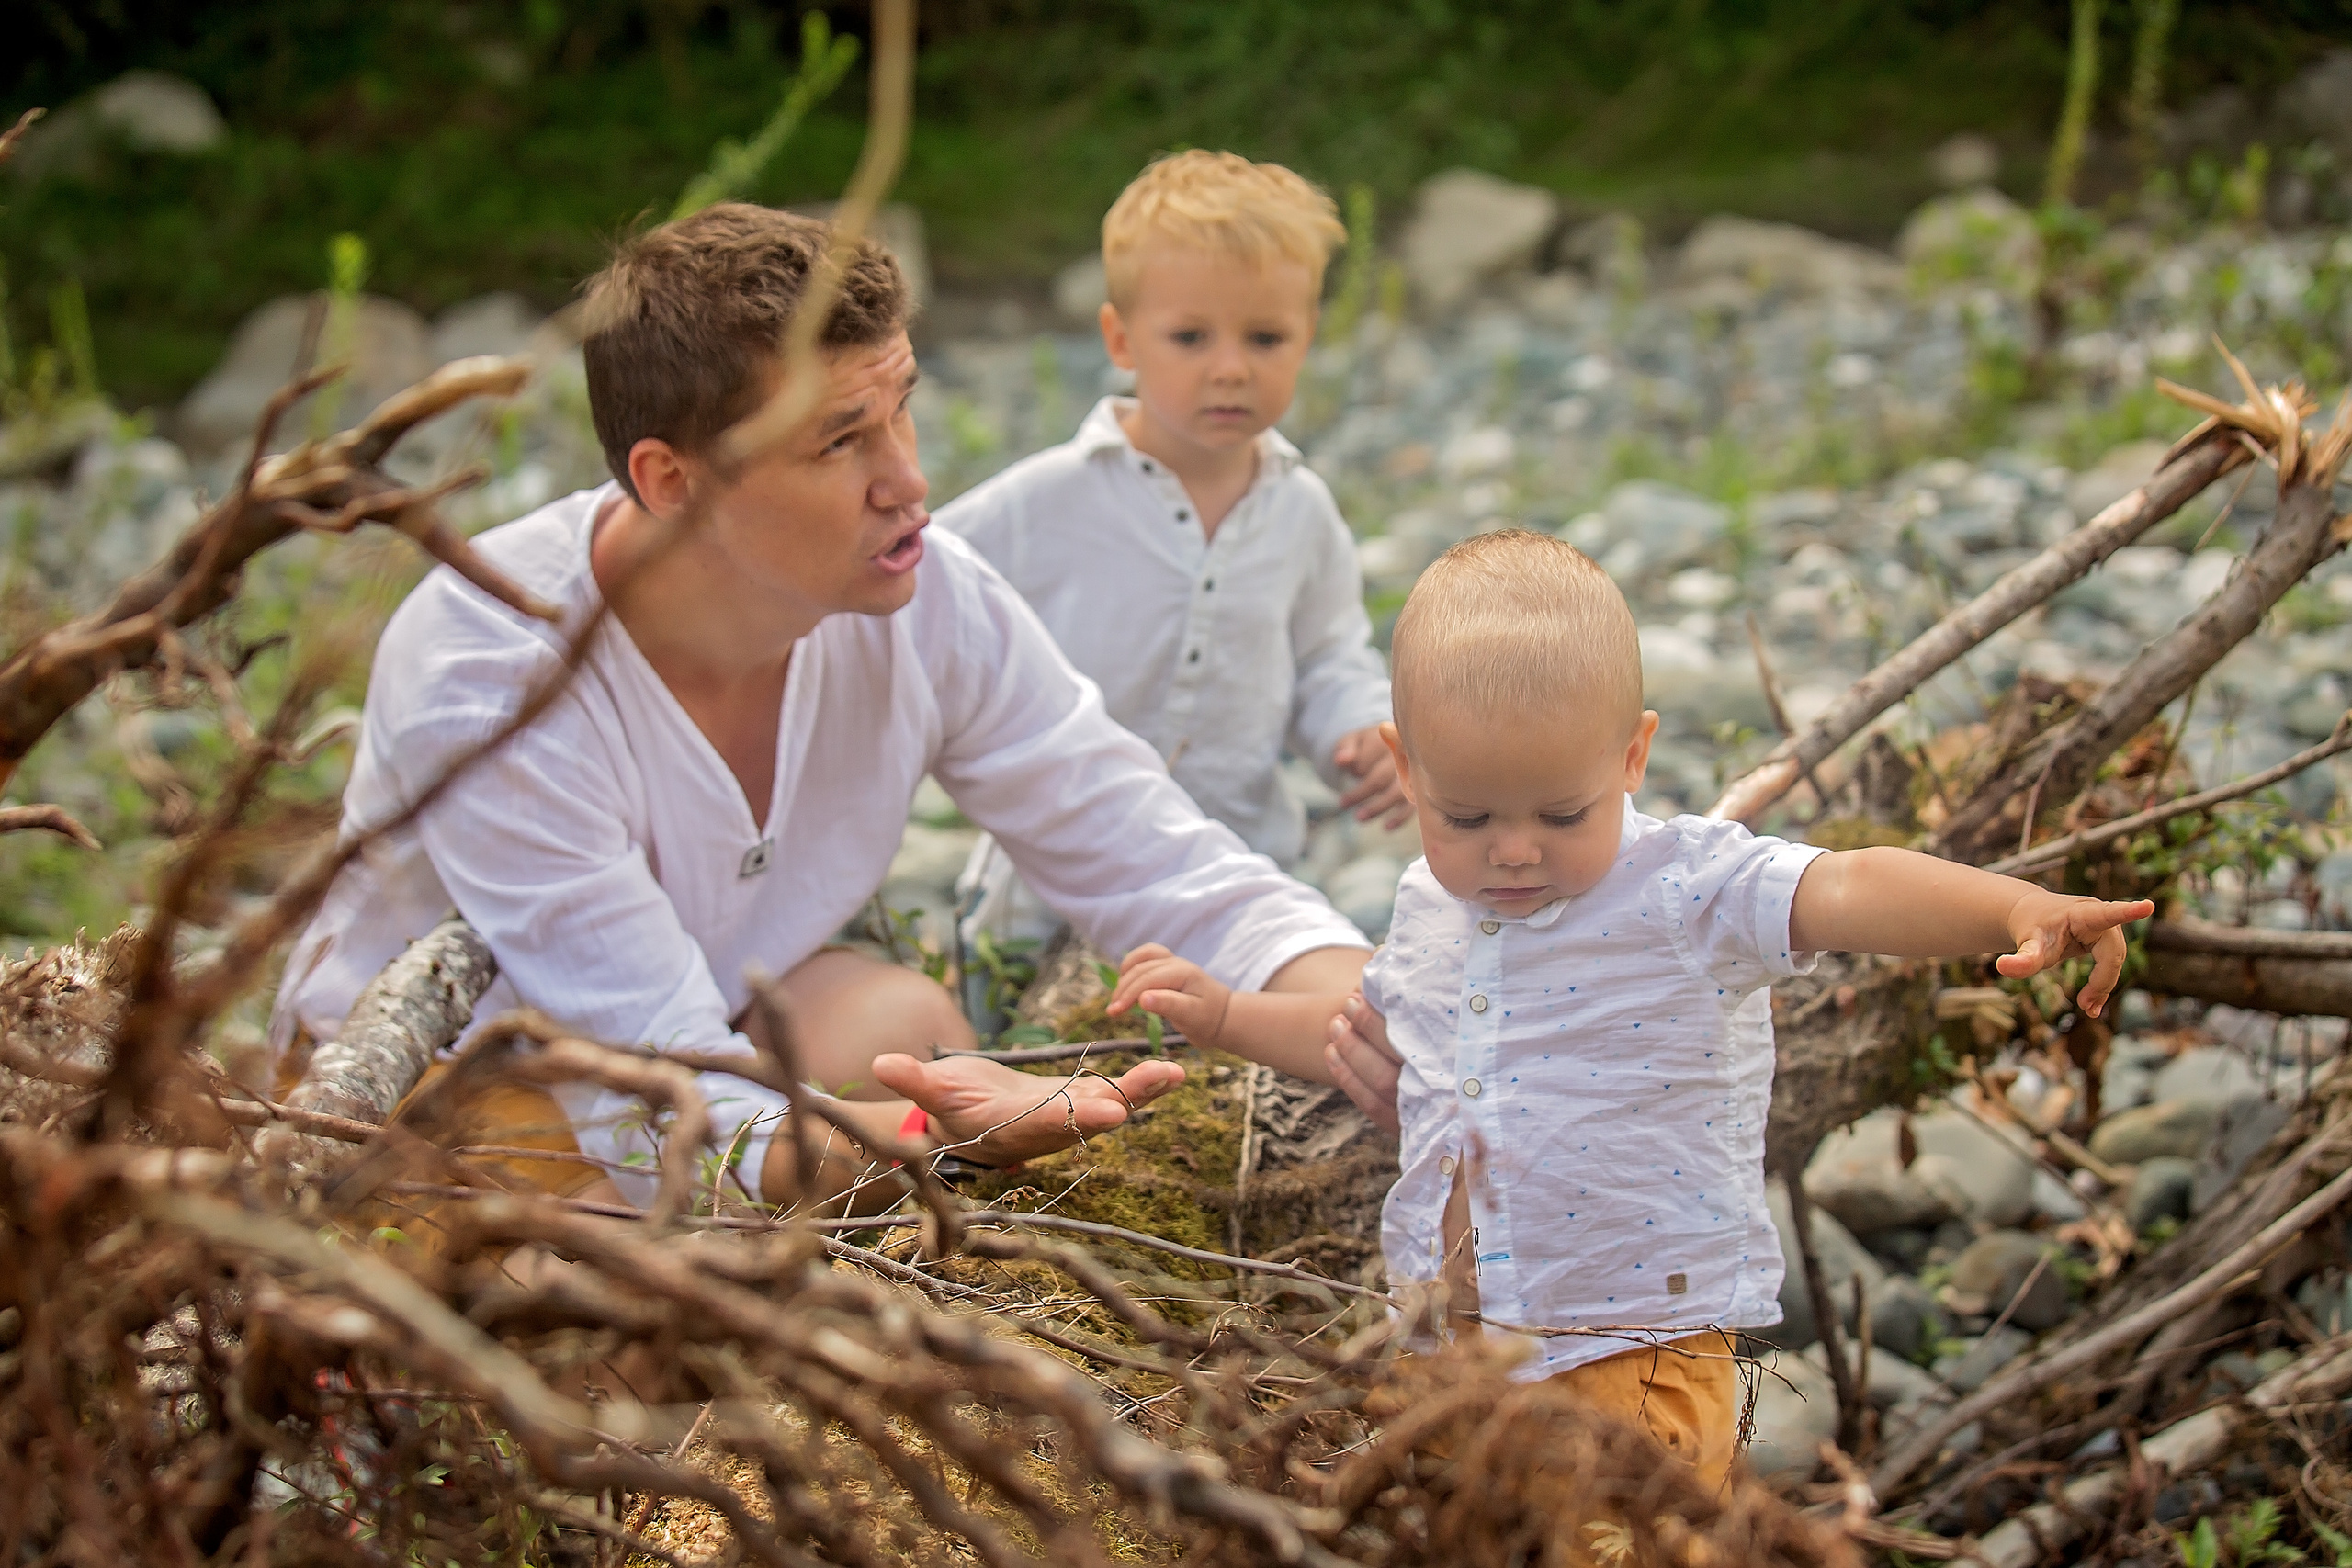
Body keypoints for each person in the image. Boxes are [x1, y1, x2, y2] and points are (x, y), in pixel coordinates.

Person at [269, 203, 1377, 1213]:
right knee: (601, 1288)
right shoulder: (495, 668)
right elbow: (662, 1093)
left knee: (899, 1030)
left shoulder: (922, 592)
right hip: (448, 1096)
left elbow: (1154, 858)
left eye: (900, 413)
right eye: (840, 441)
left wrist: (1381, 1011)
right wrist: (936, 1145)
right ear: (669, 480)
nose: (908, 480)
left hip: (715, 1029)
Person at [1108, 529, 2154, 1489]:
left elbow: (1848, 885)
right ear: (1403, 769)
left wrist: (2014, 904)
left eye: (1562, 813)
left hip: (1630, 1350)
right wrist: (1227, 1015)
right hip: (1447, 1349)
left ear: (1632, 757)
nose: (1512, 850)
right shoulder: (1431, 905)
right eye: (1464, 815)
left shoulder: (1685, 890)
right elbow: (1364, 1032)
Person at [939, 150, 1403, 945]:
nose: (1230, 368)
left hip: (1235, 877)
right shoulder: (1046, 500)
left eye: (1265, 337)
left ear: (1306, 337)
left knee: (1242, 1045)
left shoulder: (1301, 512)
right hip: (1051, 886)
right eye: (1190, 337)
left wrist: (1357, 730)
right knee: (1027, 1043)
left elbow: (1328, 655)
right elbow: (917, 592)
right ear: (1121, 339)